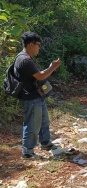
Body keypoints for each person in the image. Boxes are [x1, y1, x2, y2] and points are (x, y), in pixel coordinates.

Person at [15, 31, 61, 159]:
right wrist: (53, 67)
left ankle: (45, 143)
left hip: (37, 95)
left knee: (44, 121)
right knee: (32, 124)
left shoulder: (26, 58)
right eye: (38, 45)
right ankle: (27, 152)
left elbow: (37, 74)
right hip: (30, 97)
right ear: (30, 44)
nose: (39, 48)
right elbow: (41, 75)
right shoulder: (24, 60)